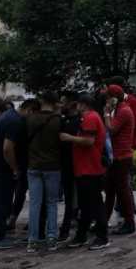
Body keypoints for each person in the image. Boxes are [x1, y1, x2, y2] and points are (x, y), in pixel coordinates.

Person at [0, 99, 36, 249]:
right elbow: (7, 148)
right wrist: (15, 168)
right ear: (30, 110)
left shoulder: (8, 115)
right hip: (1, 166)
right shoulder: (15, 122)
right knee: (4, 202)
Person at [61, 94, 110, 251]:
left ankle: (102, 237)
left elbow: (89, 141)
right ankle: (81, 235)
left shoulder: (90, 117)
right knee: (85, 205)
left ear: (83, 105)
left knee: (95, 204)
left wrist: (69, 138)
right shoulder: (92, 117)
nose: (76, 108)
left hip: (90, 168)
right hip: (85, 168)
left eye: (77, 105)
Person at [25, 92, 63, 252]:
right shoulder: (57, 120)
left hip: (33, 165)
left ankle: (32, 240)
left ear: (41, 101)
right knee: (51, 203)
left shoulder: (30, 118)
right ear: (55, 103)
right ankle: (52, 238)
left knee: (35, 204)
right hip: (53, 166)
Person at [103, 84, 136, 235]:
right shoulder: (122, 109)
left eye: (108, 97)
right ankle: (103, 221)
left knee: (122, 192)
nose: (106, 100)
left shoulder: (124, 111)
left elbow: (112, 129)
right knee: (111, 190)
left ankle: (130, 222)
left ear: (114, 98)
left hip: (121, 157)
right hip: (117, 156)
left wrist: (106, 114)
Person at [7, 99, 40, 232]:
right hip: (26, 162)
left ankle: (17, 220)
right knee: (23, 192)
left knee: (25, 193)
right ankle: (14, 219)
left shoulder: (22, 121)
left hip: (27, 162)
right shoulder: (19, 122)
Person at [58, 96, 81, 241]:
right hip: (66, 164)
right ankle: (66, 227)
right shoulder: (62, 120)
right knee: (70, 198)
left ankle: (69, 227)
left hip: (77, 164)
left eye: (64, 102)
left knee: (80, 197)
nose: (62, 105)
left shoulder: (80, 121)